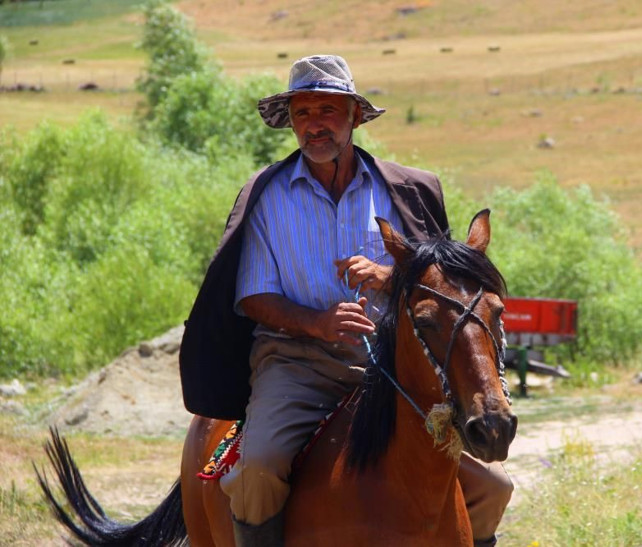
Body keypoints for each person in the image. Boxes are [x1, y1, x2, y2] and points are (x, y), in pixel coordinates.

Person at [179, 54, 512, 547]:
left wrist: (389, 274)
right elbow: (252, 296)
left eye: (328, 110)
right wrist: (317, 322)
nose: (315, 125)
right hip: (294, 363)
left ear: (355, 116)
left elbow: (439, 284)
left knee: (492, 488)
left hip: (392, 369)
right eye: (303, 113)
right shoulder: (266, 195)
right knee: (260, 470)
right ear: (291, 122)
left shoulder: (408, 189)